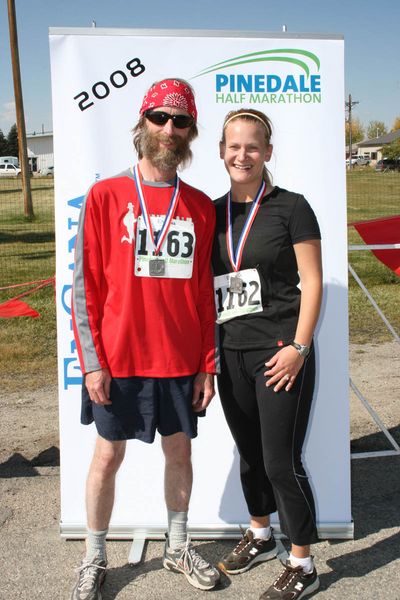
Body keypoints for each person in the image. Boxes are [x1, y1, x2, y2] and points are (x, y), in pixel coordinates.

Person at [70, 78, 220, 599]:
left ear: (190, 133)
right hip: (120, 359)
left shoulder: (201, 207)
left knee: (179, 453)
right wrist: (92, 361)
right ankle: (93, 556)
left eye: (180, 121)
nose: (168, 129)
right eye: (159, 117)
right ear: (142, 124)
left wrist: (207, 363)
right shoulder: (105, 194)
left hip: (180, 360)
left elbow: (205, 293)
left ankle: (176, 546)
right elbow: (84, 288)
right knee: (107, 458)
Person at [212, 108, 323, 600]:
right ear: (221, 152)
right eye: (234, 146)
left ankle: (303, 563)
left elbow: (313, 281)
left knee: (282, 461)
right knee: (251, 456)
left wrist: (300, 347)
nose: (243, 155)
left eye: (252, 147)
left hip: (281, 353)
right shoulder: (209, 212)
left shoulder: (291, 207)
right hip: (230, 353)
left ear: (267, 153)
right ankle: (260, 532)